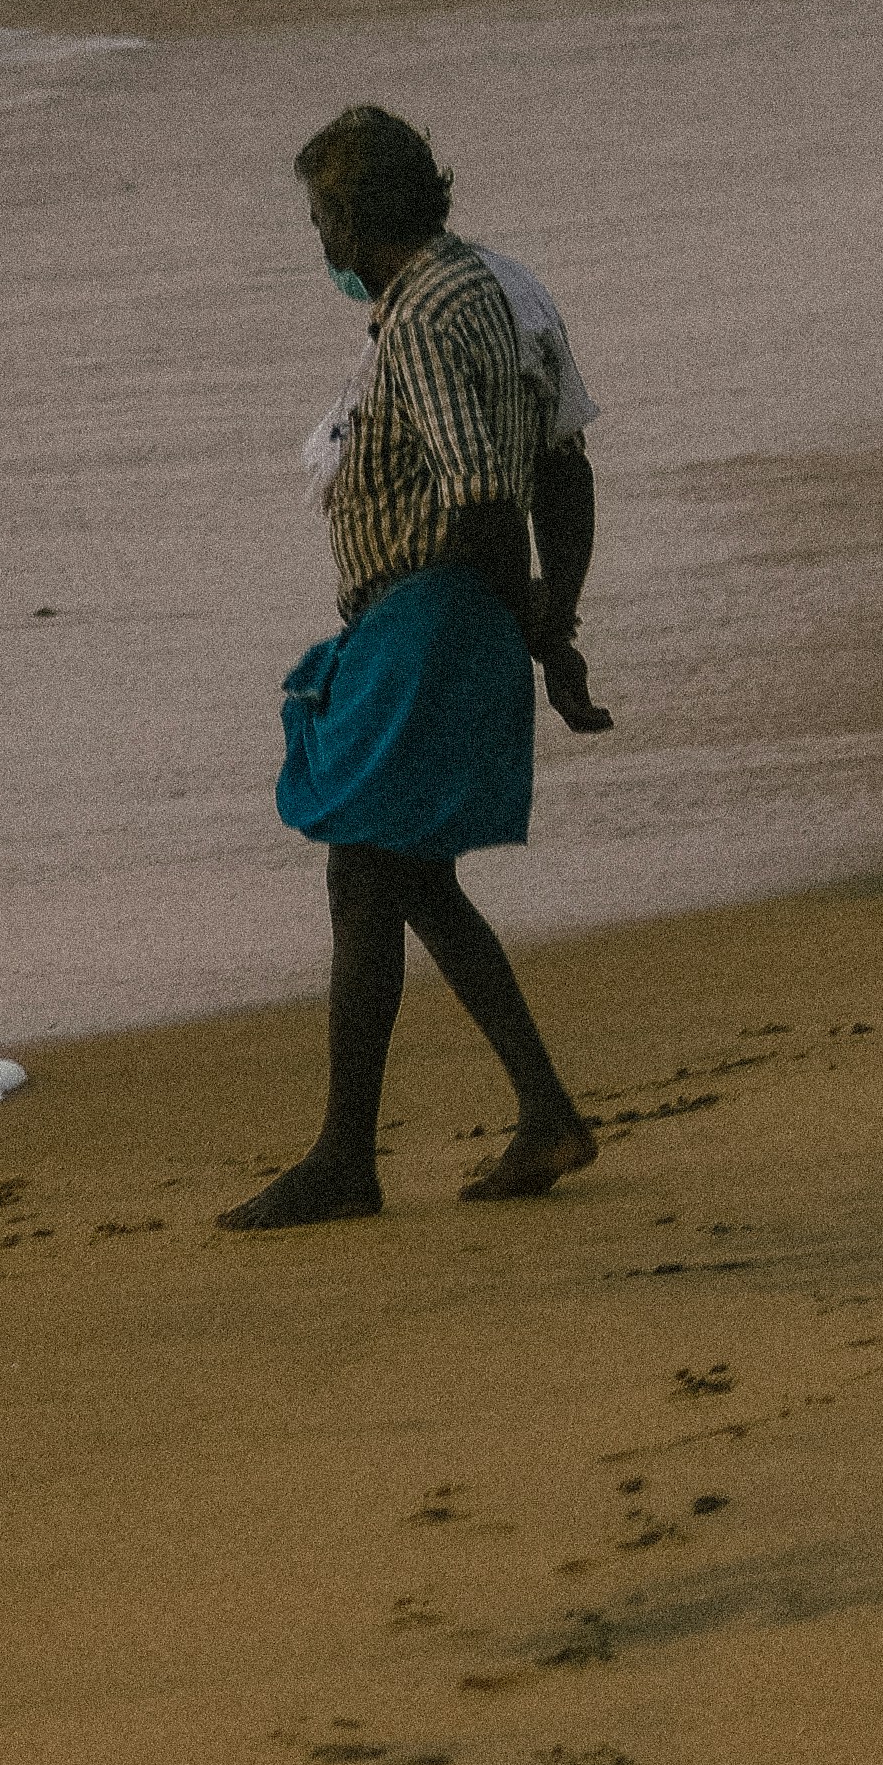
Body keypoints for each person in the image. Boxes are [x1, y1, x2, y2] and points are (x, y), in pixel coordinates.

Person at [219, 104, 612, 1231]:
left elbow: (486, 492)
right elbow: (554, 468)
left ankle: (349, 1158)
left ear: (349, 218)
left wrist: (529, 633)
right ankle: (537, 1112)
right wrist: (547, 629)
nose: (316, 244)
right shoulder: (465, 293)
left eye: (317, 219)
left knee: (368, 869)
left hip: (432, 613)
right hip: (432, 613)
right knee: (404, 876)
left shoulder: (432, 313)